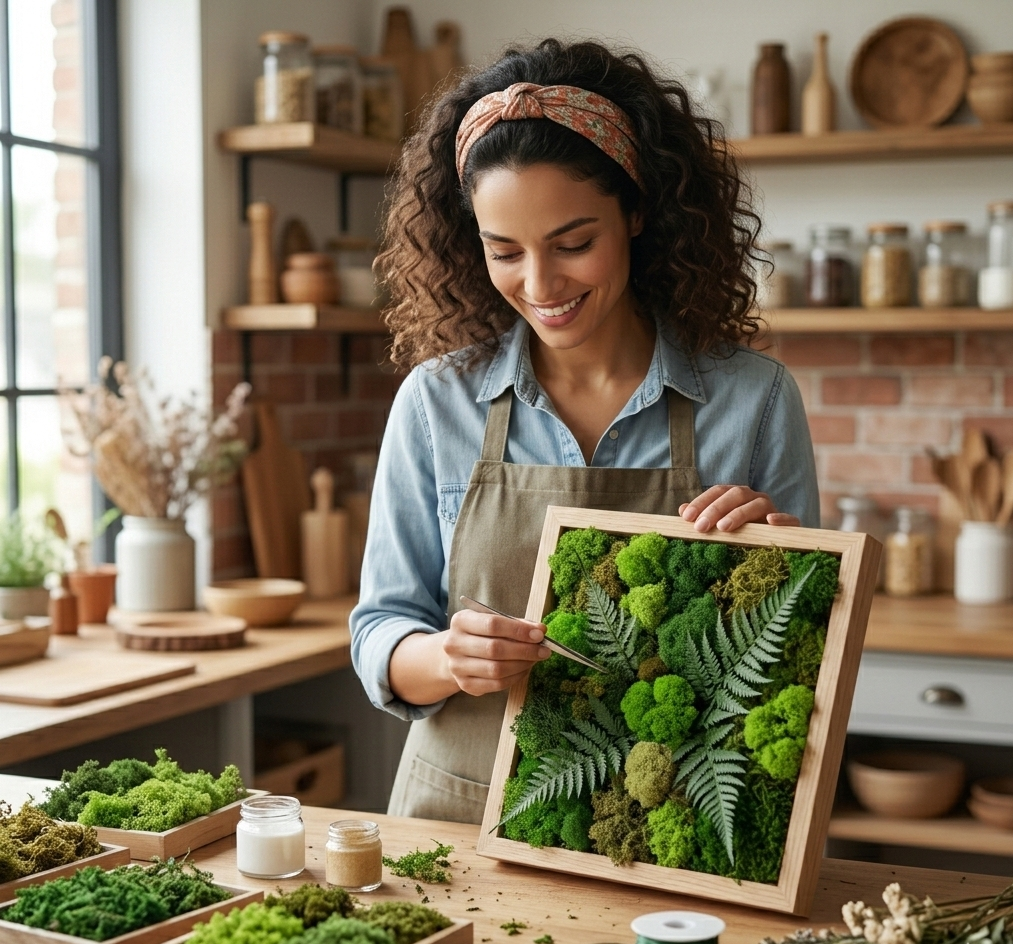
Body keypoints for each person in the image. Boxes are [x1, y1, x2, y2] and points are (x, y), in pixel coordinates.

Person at [349, 38, 818, 825]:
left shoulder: (754, 399)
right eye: (505, 252)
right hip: (459, 816)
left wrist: (787, 566)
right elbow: (379, 630)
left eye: (573, 244)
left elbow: (806, 655)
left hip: (676, 823)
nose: (539, 285)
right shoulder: (437, 402)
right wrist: (446, 657)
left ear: (636, 211)